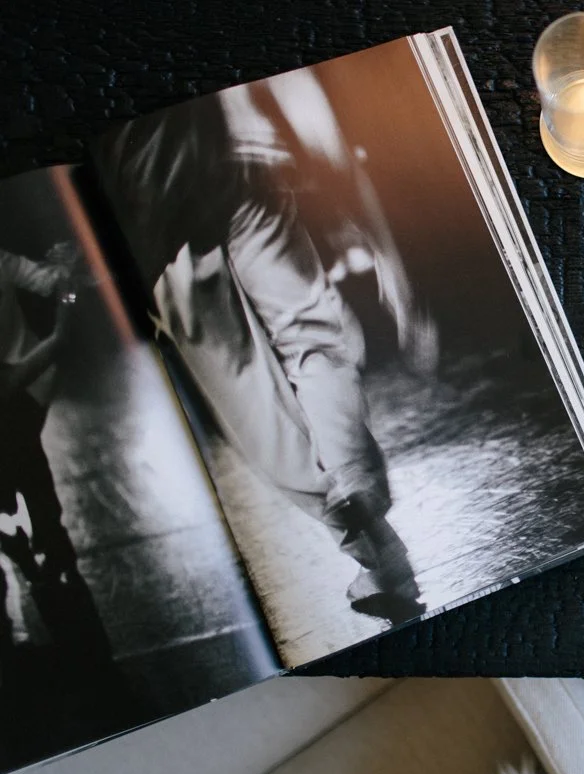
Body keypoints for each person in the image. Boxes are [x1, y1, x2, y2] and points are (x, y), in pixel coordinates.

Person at [97, 75, 432, 624]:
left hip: (152, 205)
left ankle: (369, 544)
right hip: (239, 158)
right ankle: (355, 478)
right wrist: (384, 251)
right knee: (311, 338)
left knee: (245, 390)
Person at [0, 244, 112, 667]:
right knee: (29, 480)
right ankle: (47, 565)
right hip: (19, 392)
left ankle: (46, 565)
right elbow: (59, 328)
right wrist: (68, 291)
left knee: (28, 475)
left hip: (19, 397)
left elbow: (53, 286)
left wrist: (66, 278)